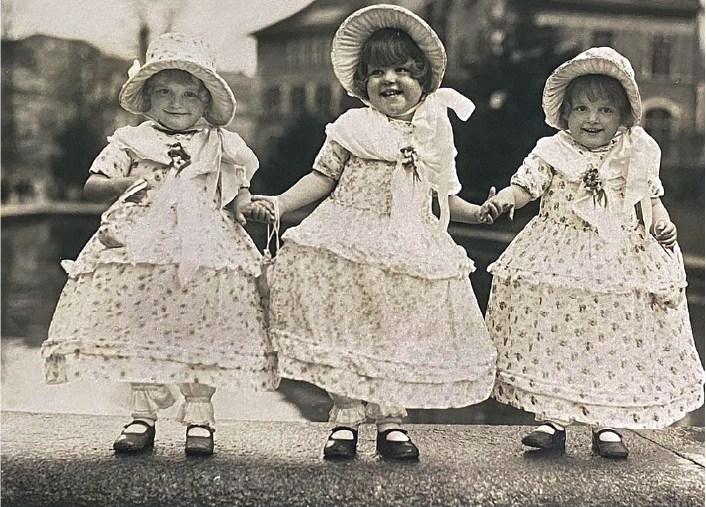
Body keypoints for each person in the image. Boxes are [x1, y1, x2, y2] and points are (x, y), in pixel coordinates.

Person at [246, 5, 497, 460]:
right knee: (349, 329)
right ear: (362, 83)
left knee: (394, 332)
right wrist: (281, 202)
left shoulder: (434, 131)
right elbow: (321, 177)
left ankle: (391, 421)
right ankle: (344, 416)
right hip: (351, 239)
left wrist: (478, 212)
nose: (390, 80)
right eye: (377, 71)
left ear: (423, 80)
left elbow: (445, 195)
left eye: (402, 70)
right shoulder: (352, 127)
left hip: (408, 246)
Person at [41, 33, 278, 456]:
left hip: (206, 244)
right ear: (147, 99)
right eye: (164, 92)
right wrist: (125, 182)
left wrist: (247, 206)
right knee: (141, 324)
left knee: (203, 328)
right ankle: (142, 414)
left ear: (205, 102)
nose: (177, 103)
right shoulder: (132, 141)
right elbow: (92, 186)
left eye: (190, 94)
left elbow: (236, 192)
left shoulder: (222, 144)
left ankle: (200, 414)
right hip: (142, 247)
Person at [480, 47, 704, 459]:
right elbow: (527, 186)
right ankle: (552, 418)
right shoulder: (552, 151)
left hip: (618, 257)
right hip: (560, 254)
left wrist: (662, 222)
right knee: (557, 334)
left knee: (612, 339)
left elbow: (649, 197)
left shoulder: (635, 152)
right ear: (564, 115)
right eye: (580, 109)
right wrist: (505, 201)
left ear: (622, 117)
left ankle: (607, 422)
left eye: (604, 110)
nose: (592, 119)